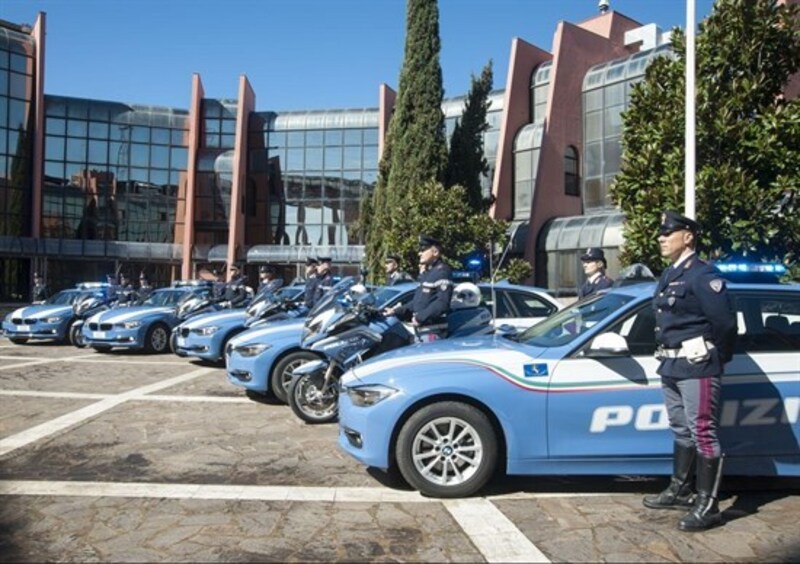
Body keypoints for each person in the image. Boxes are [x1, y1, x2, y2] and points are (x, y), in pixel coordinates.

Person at [642, 210, 737, 532]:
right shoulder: (670, 274)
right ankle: (680, 489)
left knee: (702, 432)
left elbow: (725, 324)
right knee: (681, 429)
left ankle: (709, 506)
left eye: (667, 233)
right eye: (661, 233)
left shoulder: (702, 275)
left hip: (698, 366)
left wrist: (717, 359)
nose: (661, 238)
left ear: (688, 237)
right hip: (670, 364)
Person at [384, 235, 453, 337]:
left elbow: (442, 303)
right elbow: (418, 302)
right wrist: (395, 311)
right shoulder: (429, 273)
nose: (419, 253)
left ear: (435, 252)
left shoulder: (442, 272)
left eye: (423, 250)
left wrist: (420, 318)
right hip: (422, 330)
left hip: (433, 331)